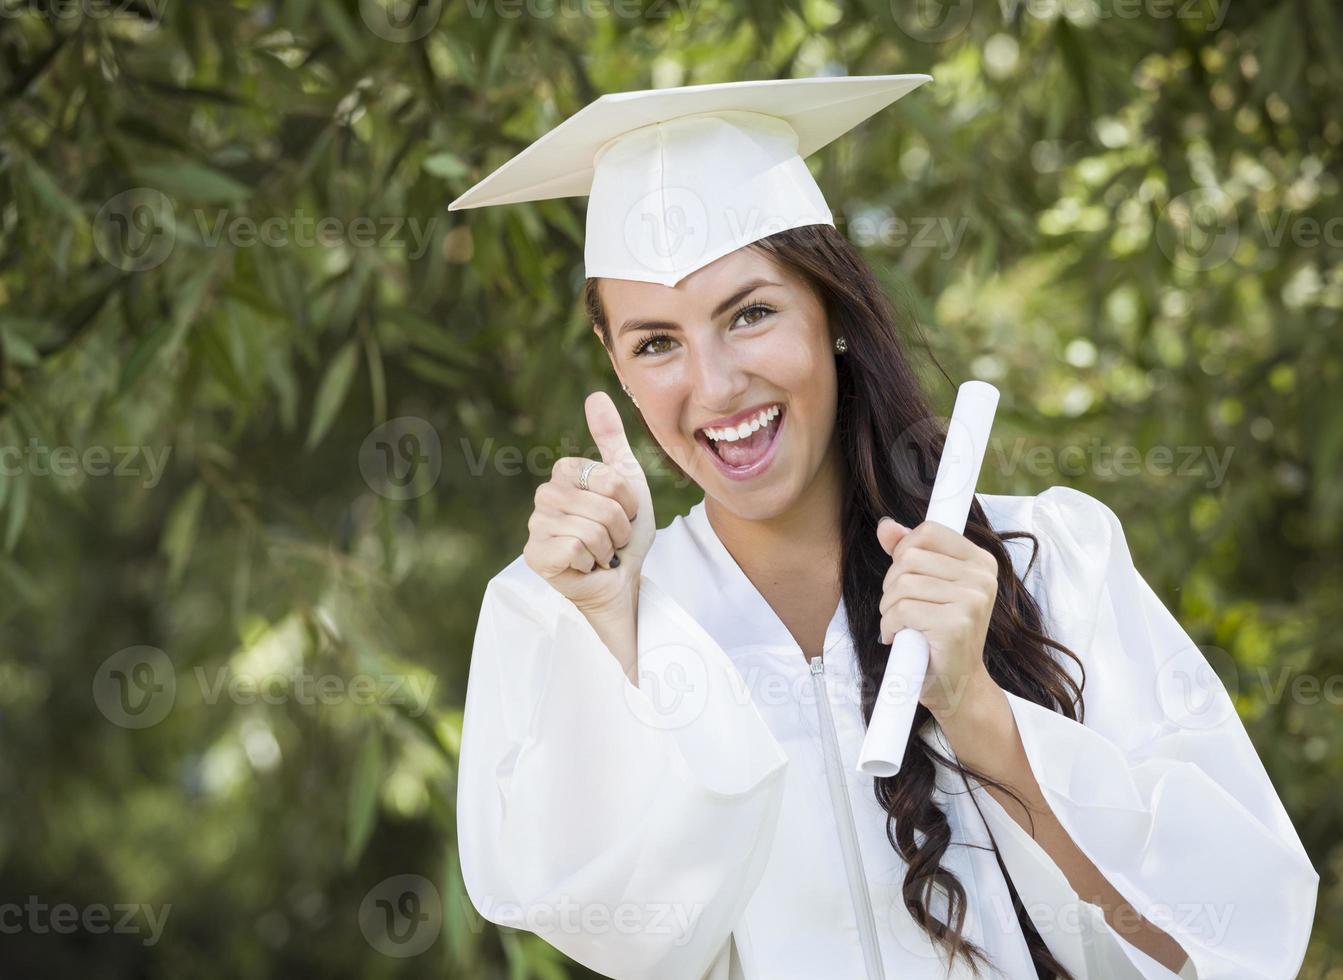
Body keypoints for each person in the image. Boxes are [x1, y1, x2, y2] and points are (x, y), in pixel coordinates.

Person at [447, 77, 1319, 980]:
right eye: (656, 342)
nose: (712, 388)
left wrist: (976, 708)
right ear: (615, 366)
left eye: (750, 314)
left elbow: (1222, 946)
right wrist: (614, 632)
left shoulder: (1050, 563)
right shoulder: (585, 612)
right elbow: (617, 938)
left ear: (831, 313)